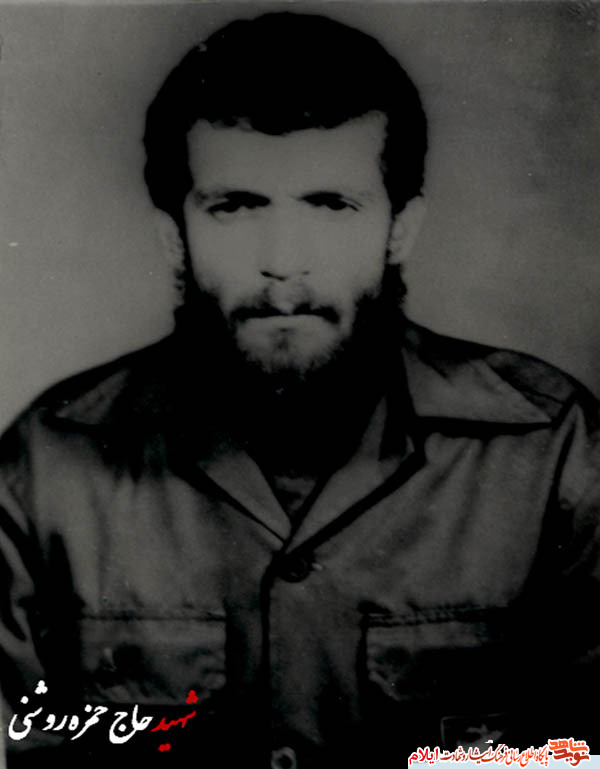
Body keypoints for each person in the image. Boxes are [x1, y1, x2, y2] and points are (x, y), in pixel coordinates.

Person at [1, 10, 599, 768]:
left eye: (331, 205)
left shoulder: (553, 454)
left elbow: (584, 752)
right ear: (173, 237)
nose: (284, 260)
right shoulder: (47, 467)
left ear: (401, 230)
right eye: (236, 206)